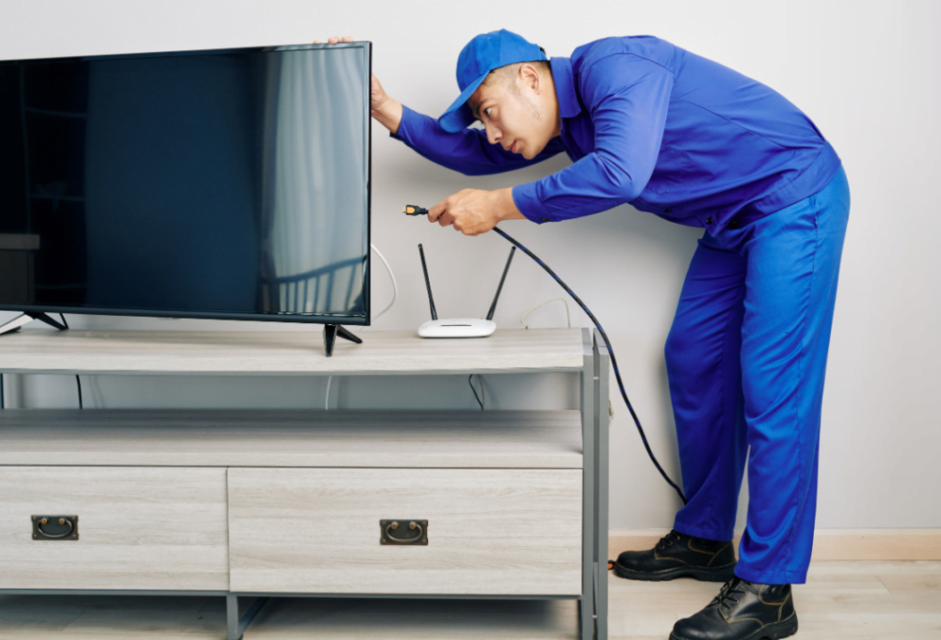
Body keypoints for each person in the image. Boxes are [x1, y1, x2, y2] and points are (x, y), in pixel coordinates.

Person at [319, 30, 848, 640]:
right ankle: (705, 539)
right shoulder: (564, 125)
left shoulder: (617, 67)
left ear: (530, 77)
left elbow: (621, 172)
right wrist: (387, 110)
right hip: (730, 223)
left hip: (792, 199)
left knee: (773, 384)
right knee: (694, 359)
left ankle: (770, 590)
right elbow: (478, 157)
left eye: (489, 112)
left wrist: (498, 206)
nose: (489, 132)